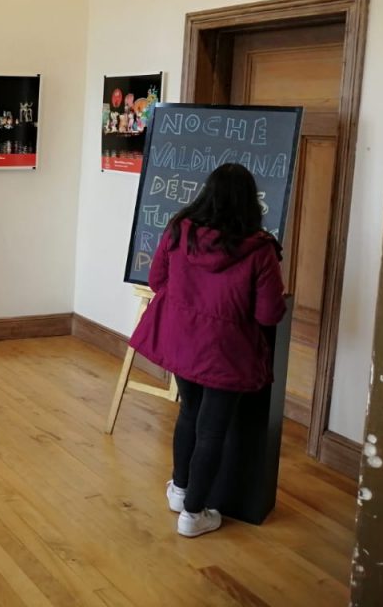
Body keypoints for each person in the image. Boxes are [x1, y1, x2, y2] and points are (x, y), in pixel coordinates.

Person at [129, 163, 286, 538]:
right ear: (251, 202)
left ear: (206, 193)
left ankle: (180, 491)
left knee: (189, 414)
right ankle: (193, 514)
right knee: (212, 431)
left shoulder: (180, 230)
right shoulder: (259, 249)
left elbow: (156, 280)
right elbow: (268, 314)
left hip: (182, 341)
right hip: (226, 351)